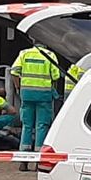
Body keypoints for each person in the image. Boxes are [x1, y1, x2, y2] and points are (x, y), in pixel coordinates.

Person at [12, 43, 62, 171]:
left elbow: (14, 72)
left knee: (27, 126)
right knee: (41, 126)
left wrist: (19, 88)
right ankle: (38, 161)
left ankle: (24, 161)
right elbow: (56, 76)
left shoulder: (24, 53)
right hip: (44, 95)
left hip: (27, 94)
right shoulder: (50, 55)